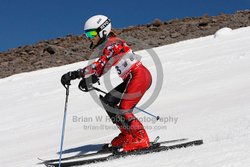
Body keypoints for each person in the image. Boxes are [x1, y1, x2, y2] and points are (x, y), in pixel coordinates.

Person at [61, 15, 152, 152]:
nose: (90, 37)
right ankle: (128, 135)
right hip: (132, 77)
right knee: (109, 102)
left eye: (92, 33)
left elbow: (100, 64)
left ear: (103, 30)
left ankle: (141, 138)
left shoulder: (113, 44)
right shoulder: (110, 45)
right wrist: (91, 78)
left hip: (139, 76)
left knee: (124, 108)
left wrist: (76, 74)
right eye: (87, 34)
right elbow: (104, 67)